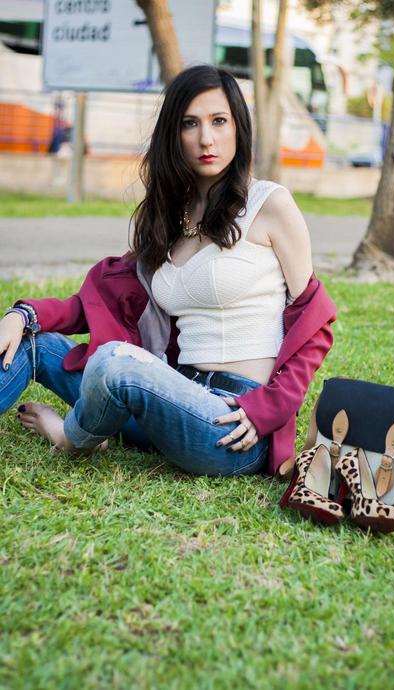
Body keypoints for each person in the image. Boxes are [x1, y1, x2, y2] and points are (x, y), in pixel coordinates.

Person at [0, 65, 336, 477]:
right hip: (170, 394)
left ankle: (73, 437)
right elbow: (95, 303)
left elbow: (315, 322)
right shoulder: (171, 221)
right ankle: (95, 418)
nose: (206, 138)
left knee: (114, 362)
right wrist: (23, 315)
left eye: (219, 121)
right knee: (34, 344)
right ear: (173, 136)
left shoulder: (270, 205)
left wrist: (268, 408)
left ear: (238, 128)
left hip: (232, 423)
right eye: (190, 124)